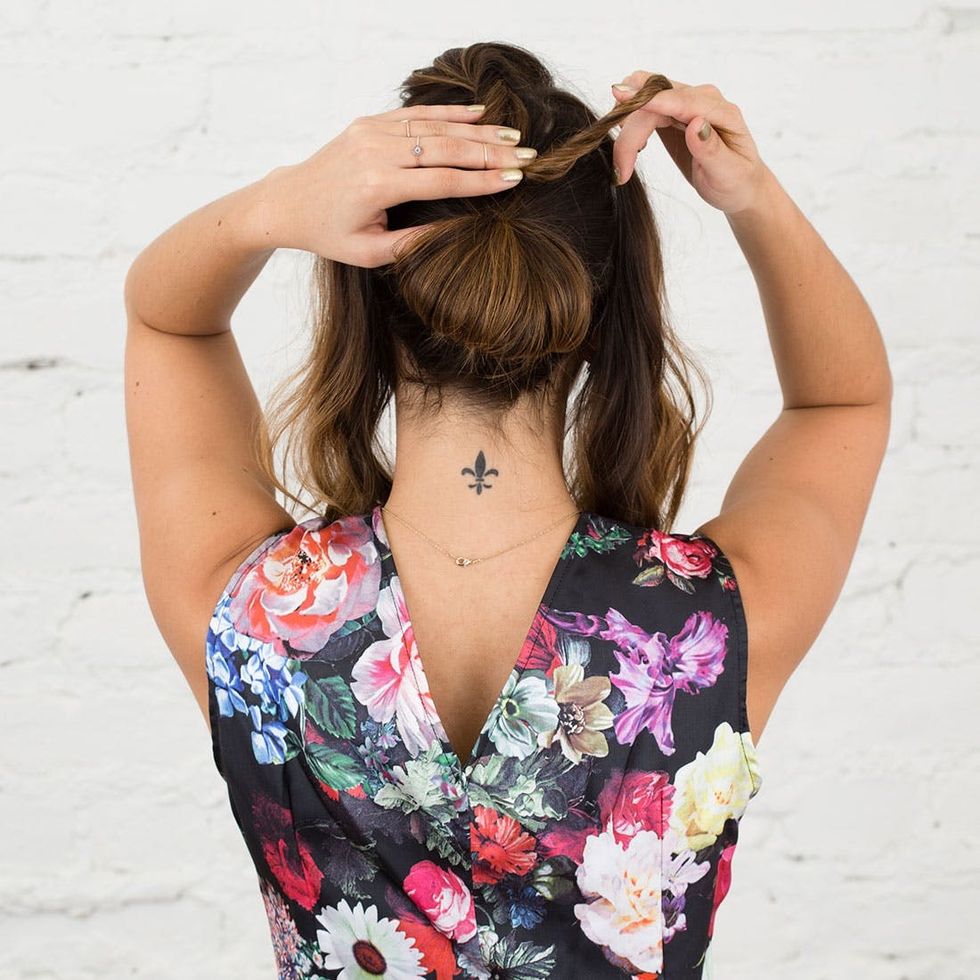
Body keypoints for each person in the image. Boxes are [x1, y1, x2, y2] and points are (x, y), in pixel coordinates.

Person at [123, 41, 891, 980]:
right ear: (602, 315)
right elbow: (841, 404)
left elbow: (166, 319)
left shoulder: (250, 613)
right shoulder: (713, 625)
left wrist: (274, 206)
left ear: (370, 302)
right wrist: (754, 197)